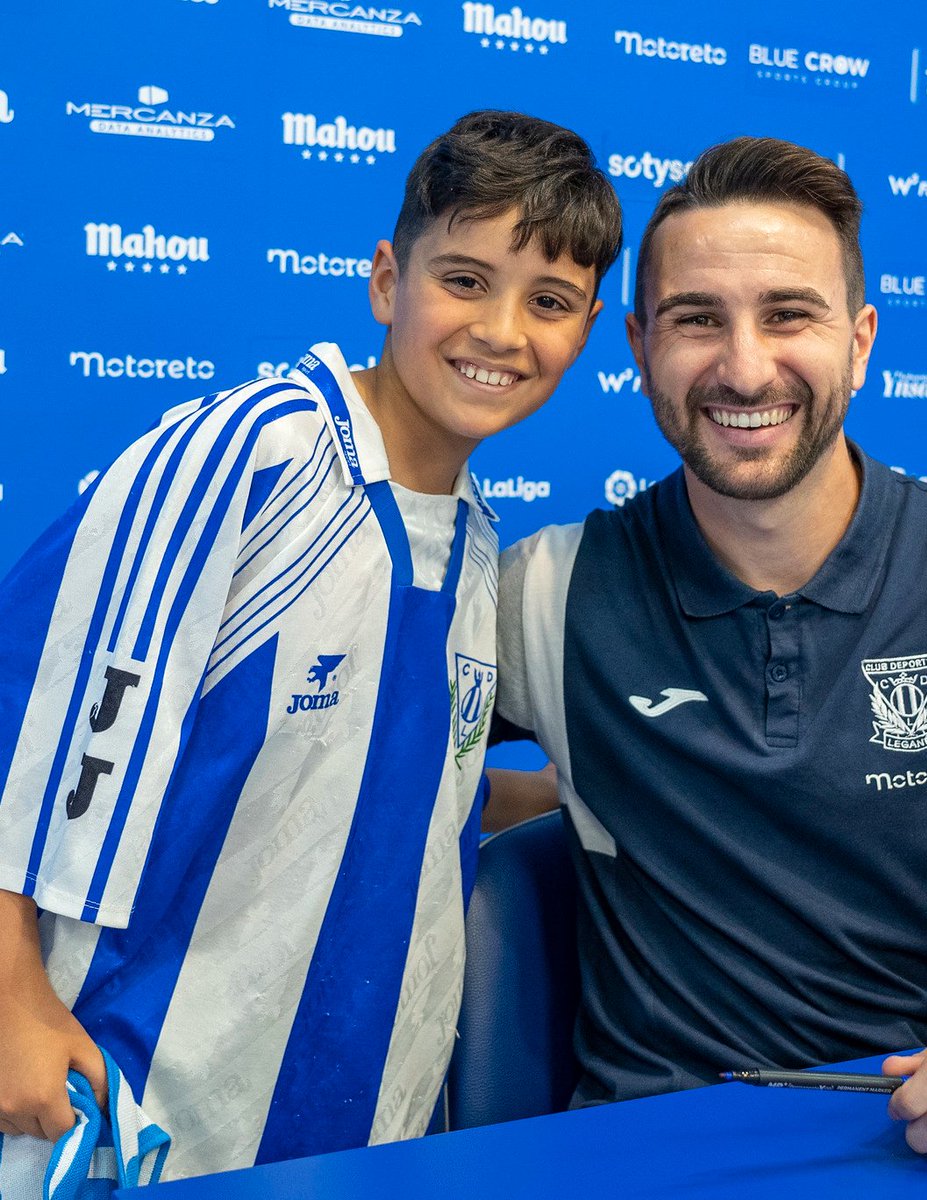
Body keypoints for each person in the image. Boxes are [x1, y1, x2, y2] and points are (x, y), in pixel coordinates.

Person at [492, 136, 927, 1169]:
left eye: (790, 314)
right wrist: (577, 789)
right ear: (640, 347)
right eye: (698, 319)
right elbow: (354, 791)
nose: (744, 366)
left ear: (860, 341)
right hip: (642, 1155)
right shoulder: (542, 593)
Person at [0, 109, 620, 1180]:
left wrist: (591, 787)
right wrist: (12, 1002)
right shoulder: (247, 458)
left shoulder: (476, 544)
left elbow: (402, 778)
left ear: (586, 330)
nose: (503, 331)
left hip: (354, 1128)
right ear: (388, 281)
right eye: (465, 280)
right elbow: (30, 738)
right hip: (130, 1116)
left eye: (550, 302)